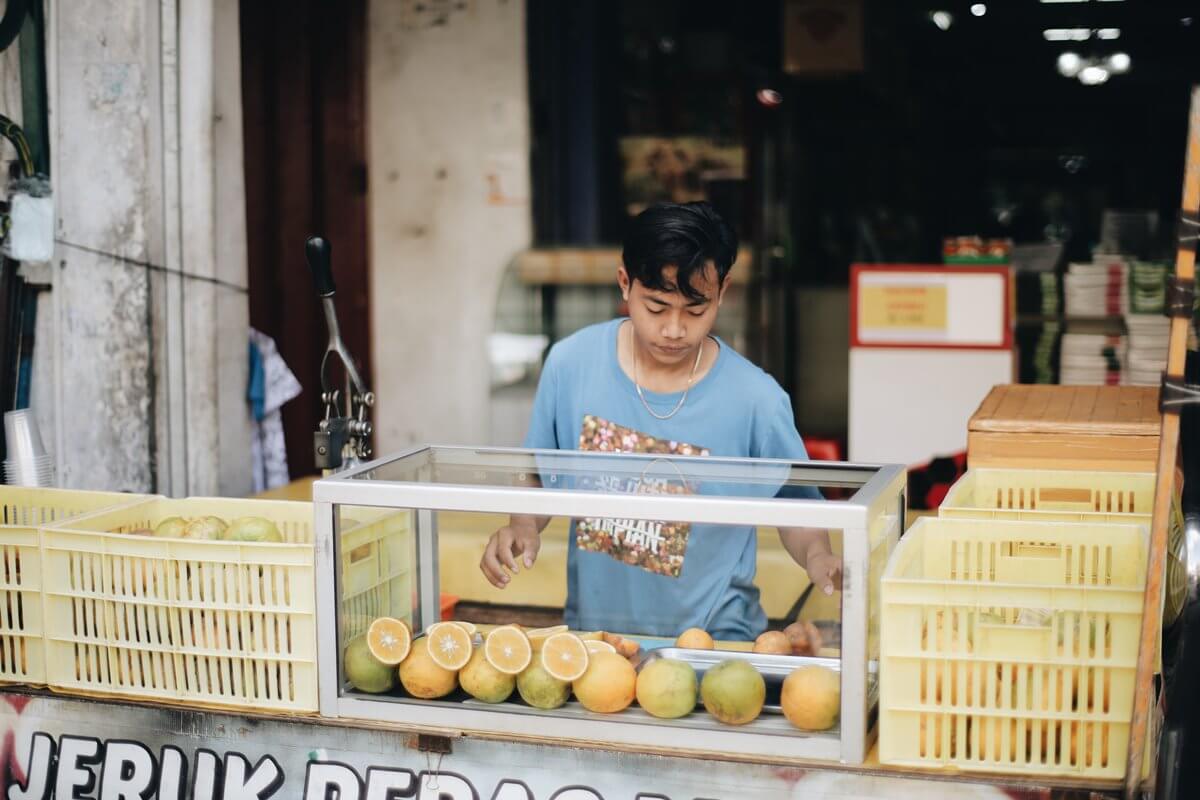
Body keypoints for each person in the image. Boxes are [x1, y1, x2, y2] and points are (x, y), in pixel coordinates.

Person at [479, 201, 841, 640]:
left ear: (723, 290)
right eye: (655, 307)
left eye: (695, 310)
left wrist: (819, 556)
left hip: (715, 646)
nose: (673, 329)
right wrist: (521, 526)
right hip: (600, 645)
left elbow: (795, 503)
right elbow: (537, 471)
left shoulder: (757, 400)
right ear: (624, 283)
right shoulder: (571, 364)